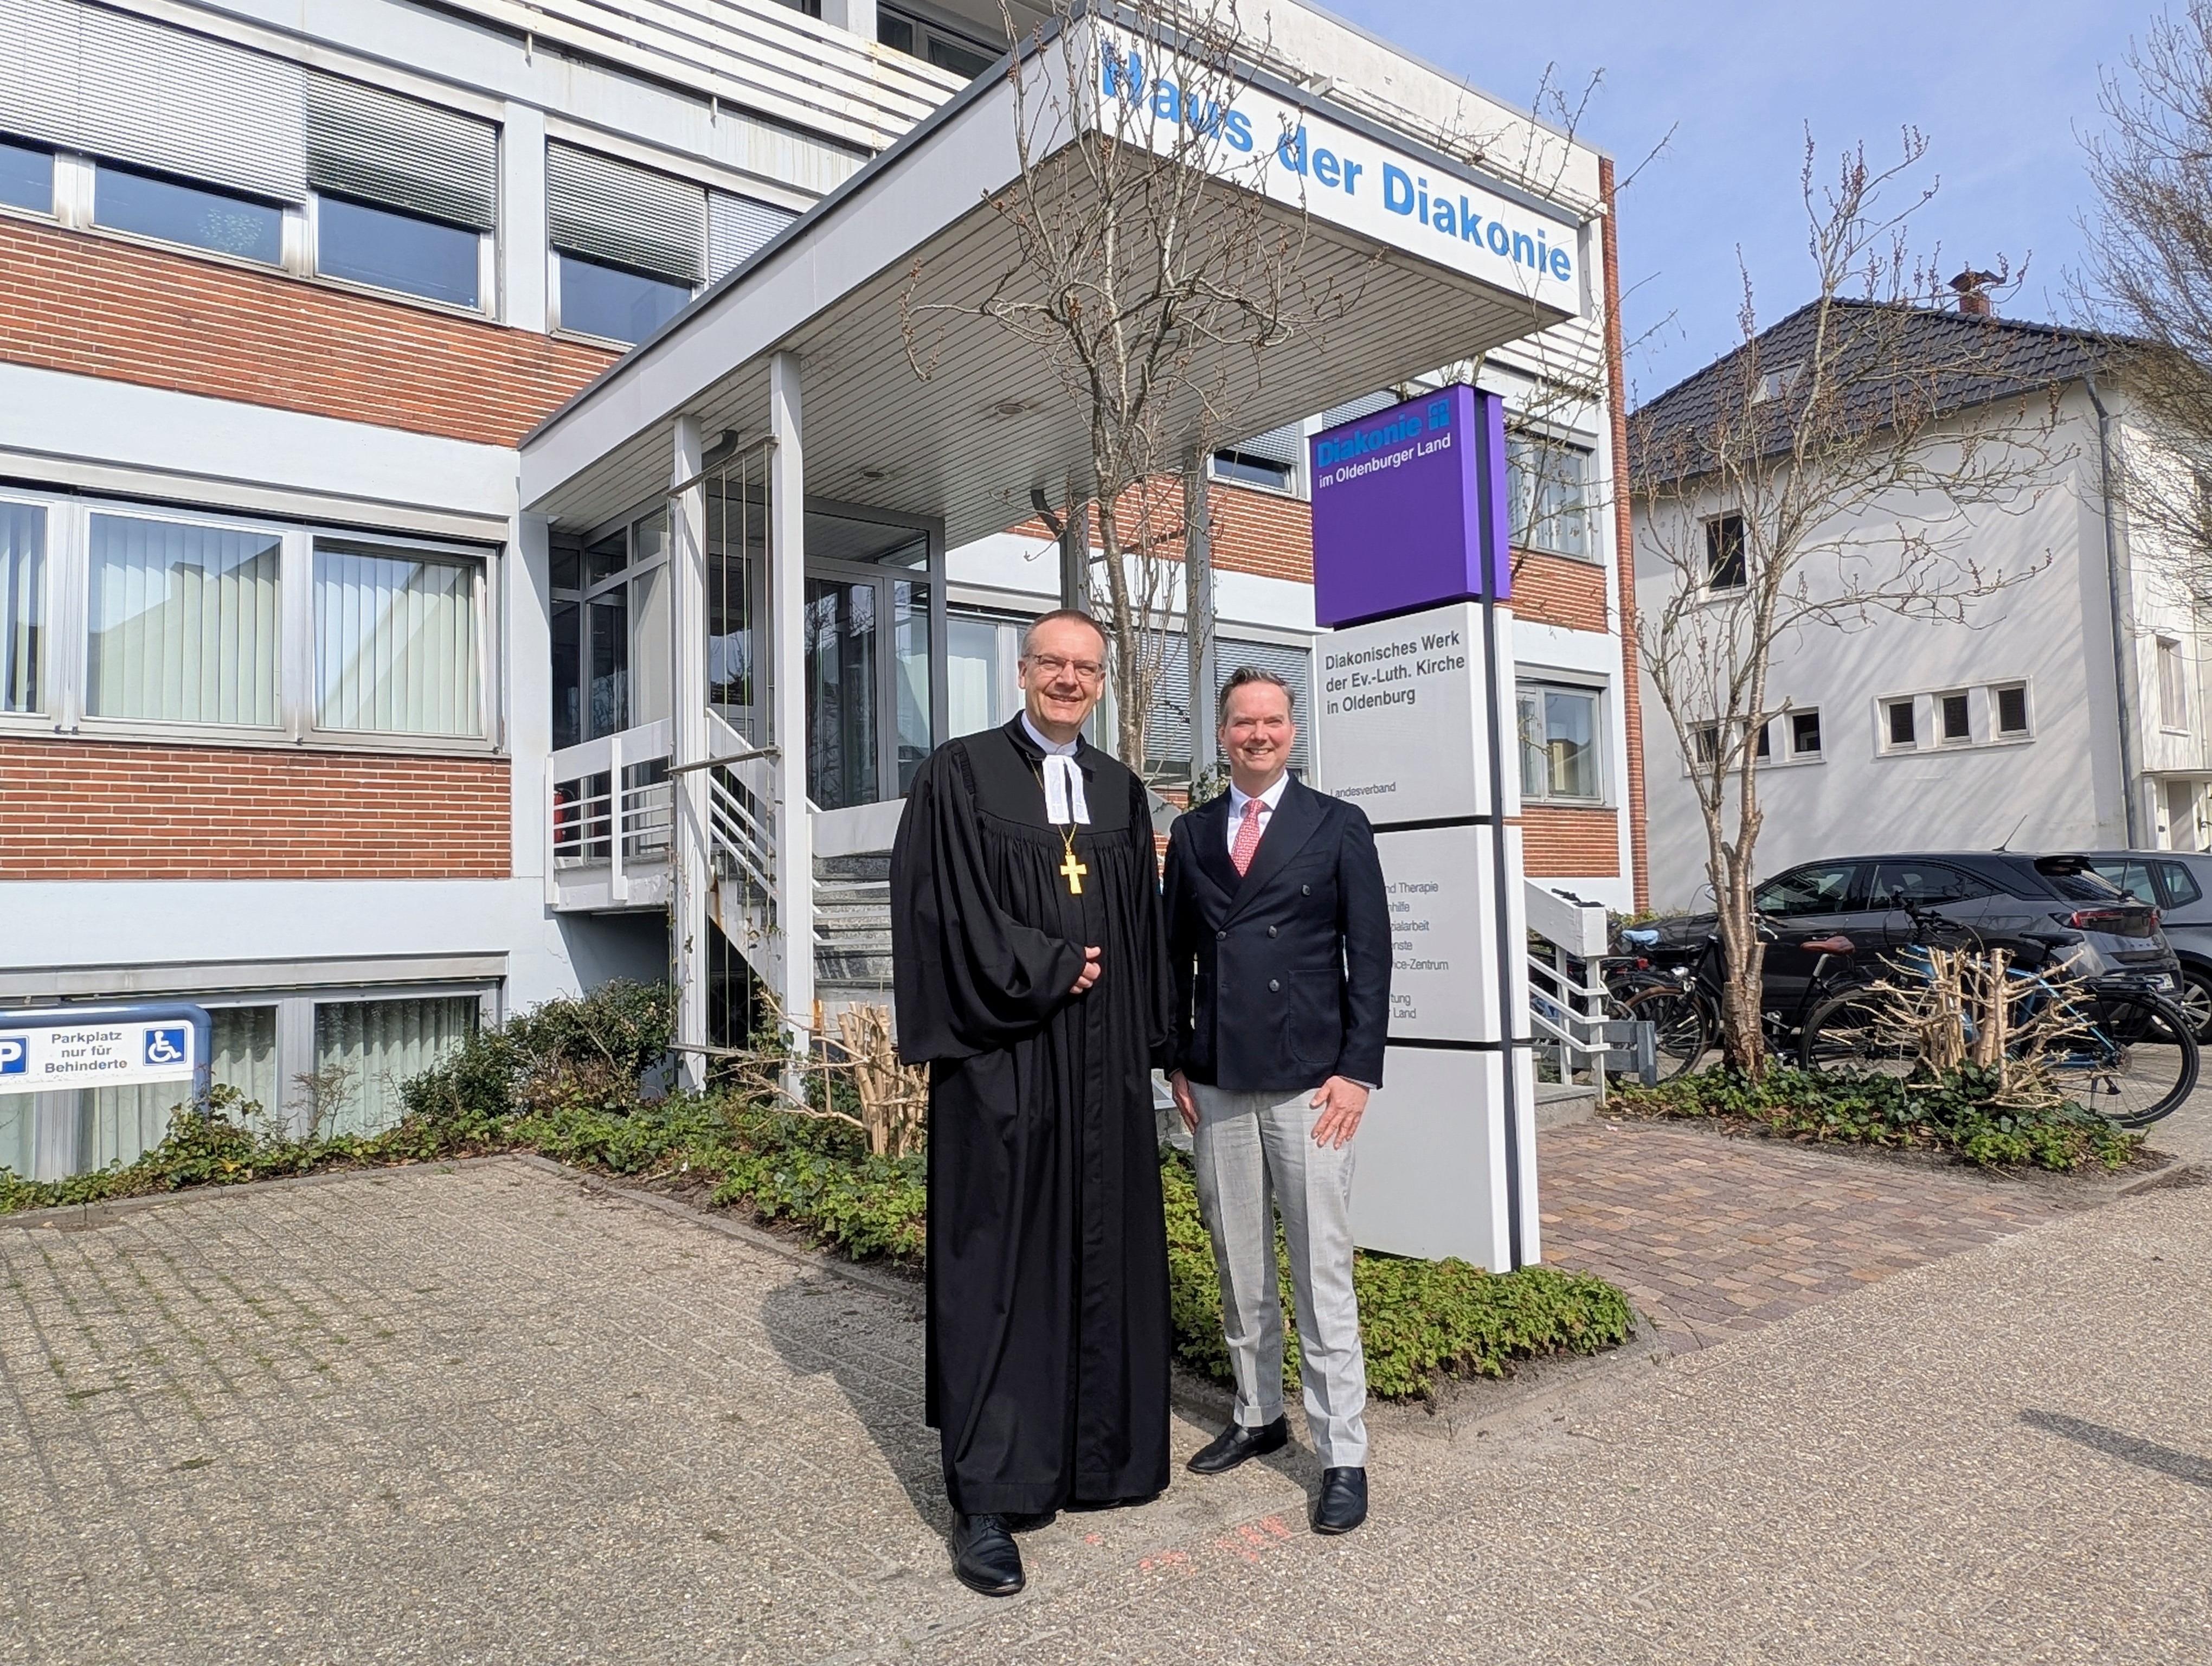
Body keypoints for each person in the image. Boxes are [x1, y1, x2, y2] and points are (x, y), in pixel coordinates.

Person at [889, 608, 1175, 1598]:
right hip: (1004, 1059)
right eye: (1051, 663)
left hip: (1103, 1067)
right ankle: (988, 1495)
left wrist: (1160, 1045)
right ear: (1021, 672)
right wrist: (1049, 965)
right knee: (1001, 1265)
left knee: (1101, 1247)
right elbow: (940, 907)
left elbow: (1144, 929)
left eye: (1084, 668)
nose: (1067, 680)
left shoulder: (1120, 790)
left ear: (1101, 681)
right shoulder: (960, 774)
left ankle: (1097, 1459)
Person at [1162, 665, 1391, 1536]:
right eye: (1242, 722)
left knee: (1321, 1268)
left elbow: (1370, 956)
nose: (1257, 734)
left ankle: (1342, 1453)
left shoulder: (1337, 825)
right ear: (1222, 734)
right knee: (1239, 1261)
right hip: (1218, 1078)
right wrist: (1175, 1059)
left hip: (1310, 1085)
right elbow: (1174, 956)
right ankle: (1258, 1414)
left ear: (1292, 731)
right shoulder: (1192, 833)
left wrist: (1357, 1071)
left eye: (1272, 721)